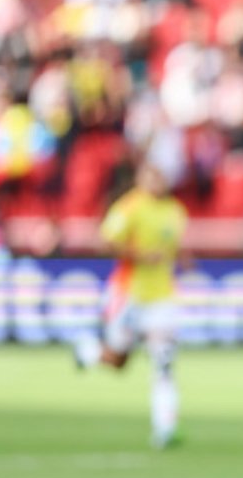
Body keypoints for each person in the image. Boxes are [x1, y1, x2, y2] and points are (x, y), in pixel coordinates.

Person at [73, 161, 188, 449]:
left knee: (163, 363)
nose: (156, 181)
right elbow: (105, 241)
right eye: (151, 175)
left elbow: (172, 249)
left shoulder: (176, 211)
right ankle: (89, 351)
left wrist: (183, 259)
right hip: (128, 295)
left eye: (160, 175)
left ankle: (165, 428)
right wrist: (138, 255)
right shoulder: (130, 207)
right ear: (140, 178)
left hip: (162, 297)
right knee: (119, 360)